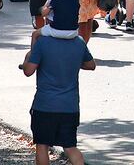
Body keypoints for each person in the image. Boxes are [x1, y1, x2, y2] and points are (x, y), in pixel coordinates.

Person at [21, 13, 95, 165]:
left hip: (45, 106)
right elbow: (90, 65)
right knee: (70, 147)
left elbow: (28, 71)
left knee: (42, 145)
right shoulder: (79, 42)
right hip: (70, 106)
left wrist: (30, 50)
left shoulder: (43, 43)